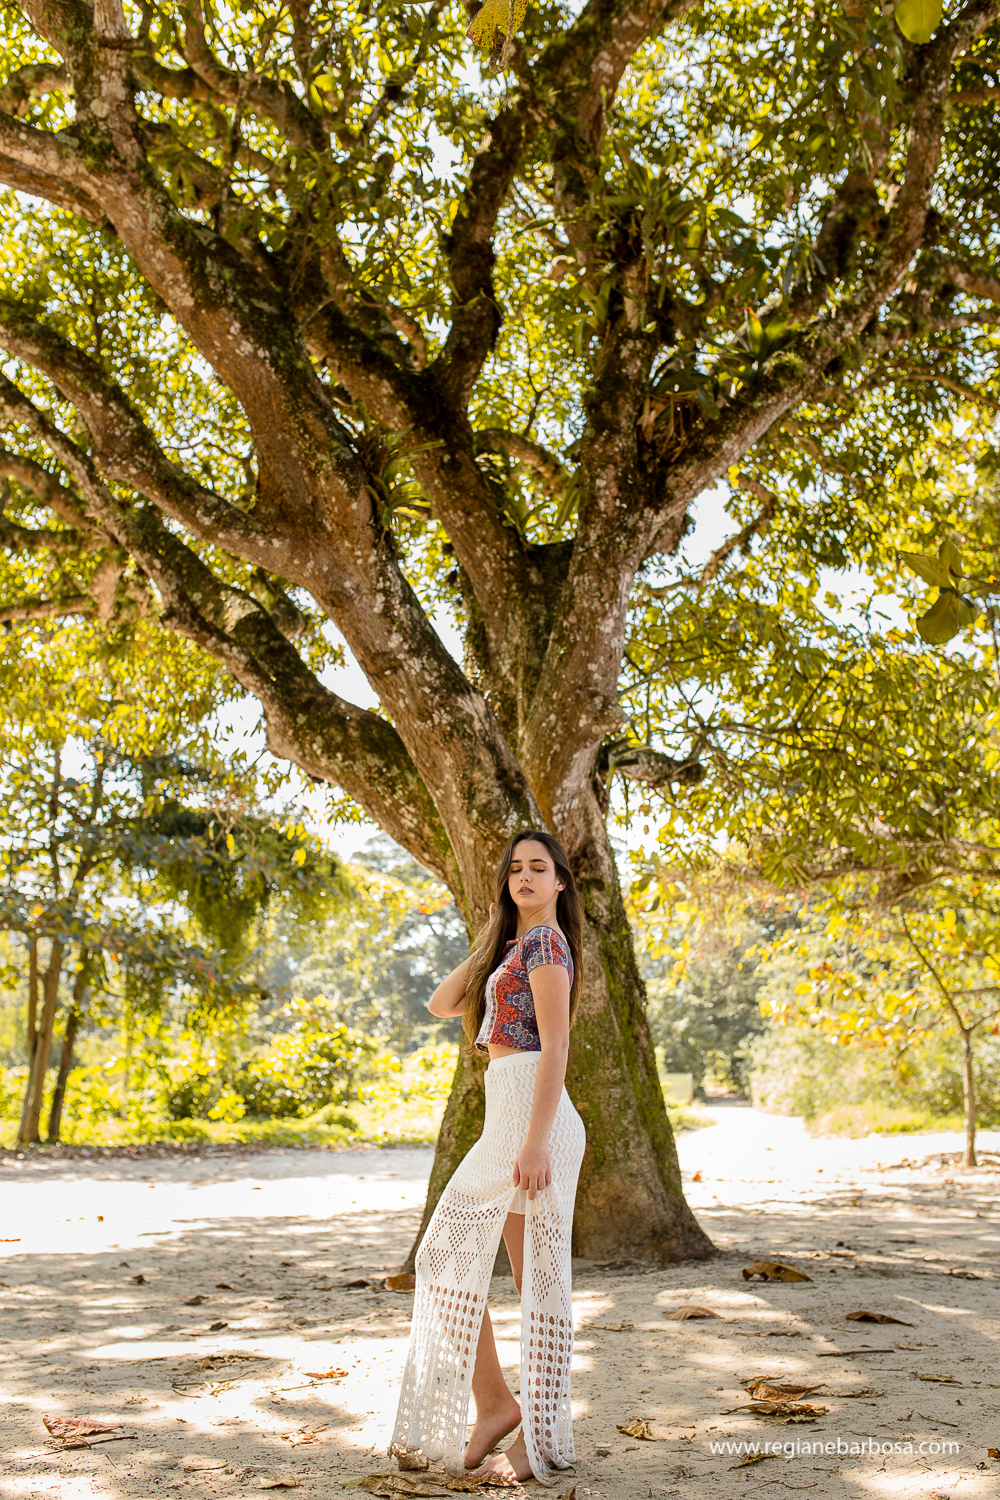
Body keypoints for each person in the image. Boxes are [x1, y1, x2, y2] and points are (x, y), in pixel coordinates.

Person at [389, 829, 586, 1486]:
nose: (524, 877)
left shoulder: (548, 944)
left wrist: (534, 1142)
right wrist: (492, 937)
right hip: (506, 1117)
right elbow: (442, 1003)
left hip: (533, 1120)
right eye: (515, 870)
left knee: (538, 1282)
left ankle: (538, 1434)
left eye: (539, 868)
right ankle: (497, 1404)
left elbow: (555, 1046)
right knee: (450, 1261)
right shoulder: (516, 947)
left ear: (561, 881)